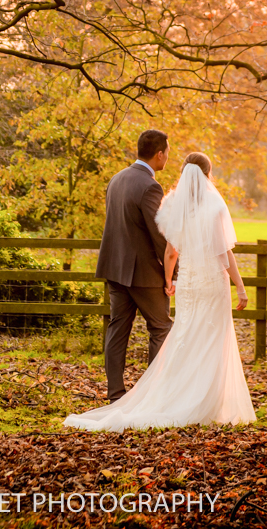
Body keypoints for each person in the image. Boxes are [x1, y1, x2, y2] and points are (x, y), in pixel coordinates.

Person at [65, 152, 256, 431]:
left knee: (185, 336)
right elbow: (224, 253)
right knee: (213, 337)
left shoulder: (172, 204)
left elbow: (170, 252)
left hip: (189, 283)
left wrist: (170, 280)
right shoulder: (215, 206)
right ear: (207, 174)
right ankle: (209, 401)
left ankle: (174, 394)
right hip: (211, 282)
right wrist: (239, 285)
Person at [93, 129, 174, 402]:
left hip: (114, 268)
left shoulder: (116, 179)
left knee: (117, 329)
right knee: (161, 328)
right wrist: (172, 271)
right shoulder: (151, 186)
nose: (168, 157)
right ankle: (154, 395)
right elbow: (159, 233)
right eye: (168, 152)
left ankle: (115, 393)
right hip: (143, 274)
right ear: (159, 154)